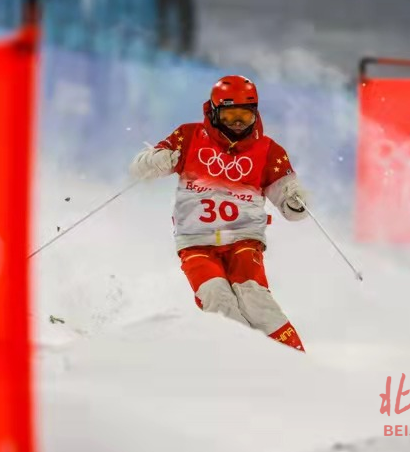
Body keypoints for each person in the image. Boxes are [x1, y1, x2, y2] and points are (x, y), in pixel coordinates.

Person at [129, 75, 308, 352]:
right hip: (196, 241)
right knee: (216, 296)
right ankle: (236, 358)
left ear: (255, 114)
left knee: (253, 297)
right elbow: (140, 170)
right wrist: (156, 160)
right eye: (230, 115)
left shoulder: (269, 151)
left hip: (242, 238)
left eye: (245, 116)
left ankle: (292, 356)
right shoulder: (189, 136)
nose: (237, 123)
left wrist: (293, 201)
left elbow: (291, 205)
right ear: (213, 112)